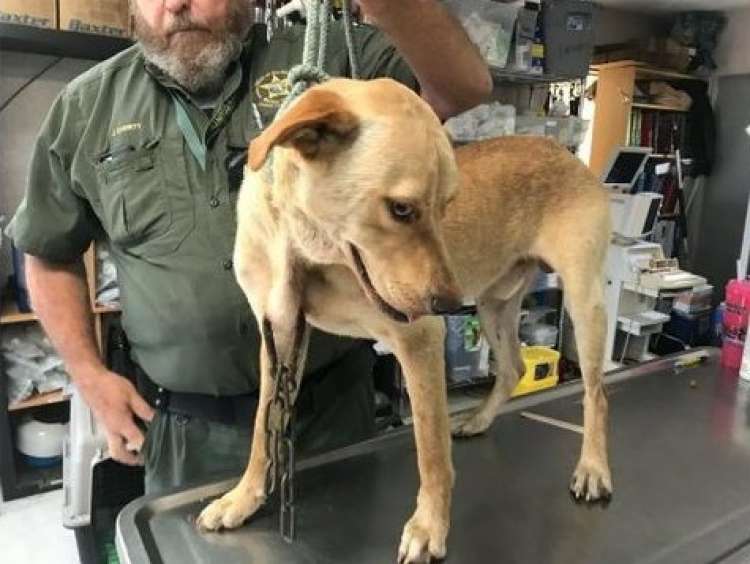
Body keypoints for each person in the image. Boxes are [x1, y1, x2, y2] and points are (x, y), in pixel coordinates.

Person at [7, 0, 491, 494]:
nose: (176, 4)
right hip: (184, 430)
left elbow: (461, 89)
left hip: (332, 413)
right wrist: (89, 377)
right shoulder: (87, 107)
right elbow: (49, 255)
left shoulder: (329, 62)